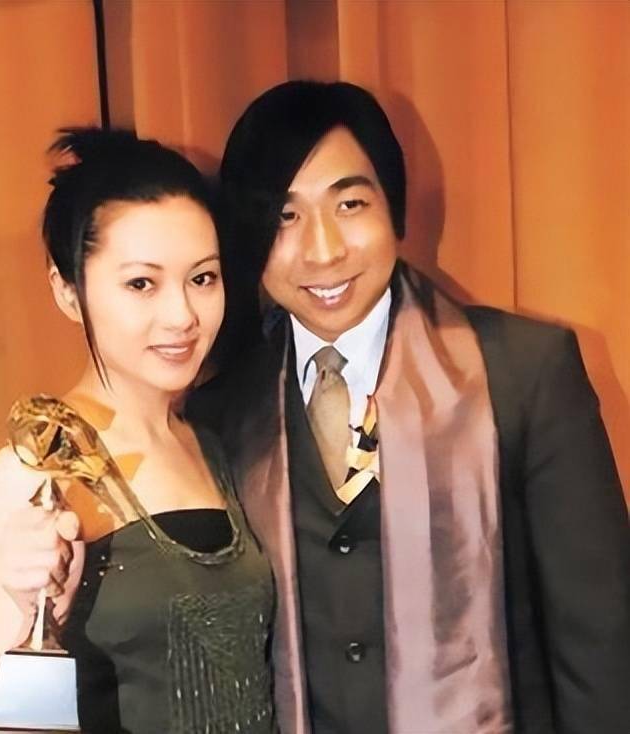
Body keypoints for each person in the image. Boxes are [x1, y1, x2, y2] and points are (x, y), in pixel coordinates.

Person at [187, 80, 630, 734]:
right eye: (284, 216)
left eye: (350, 204)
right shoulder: (219, 412)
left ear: (394, 210)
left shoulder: (525, 371)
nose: (323, 250)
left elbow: (599, 640)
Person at [0, 128, 275, 733]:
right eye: (141, 284)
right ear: (67, 290)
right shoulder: (38, 468)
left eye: (202, 278)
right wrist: (27, 613)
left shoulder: (210, 443)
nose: (181, 315)